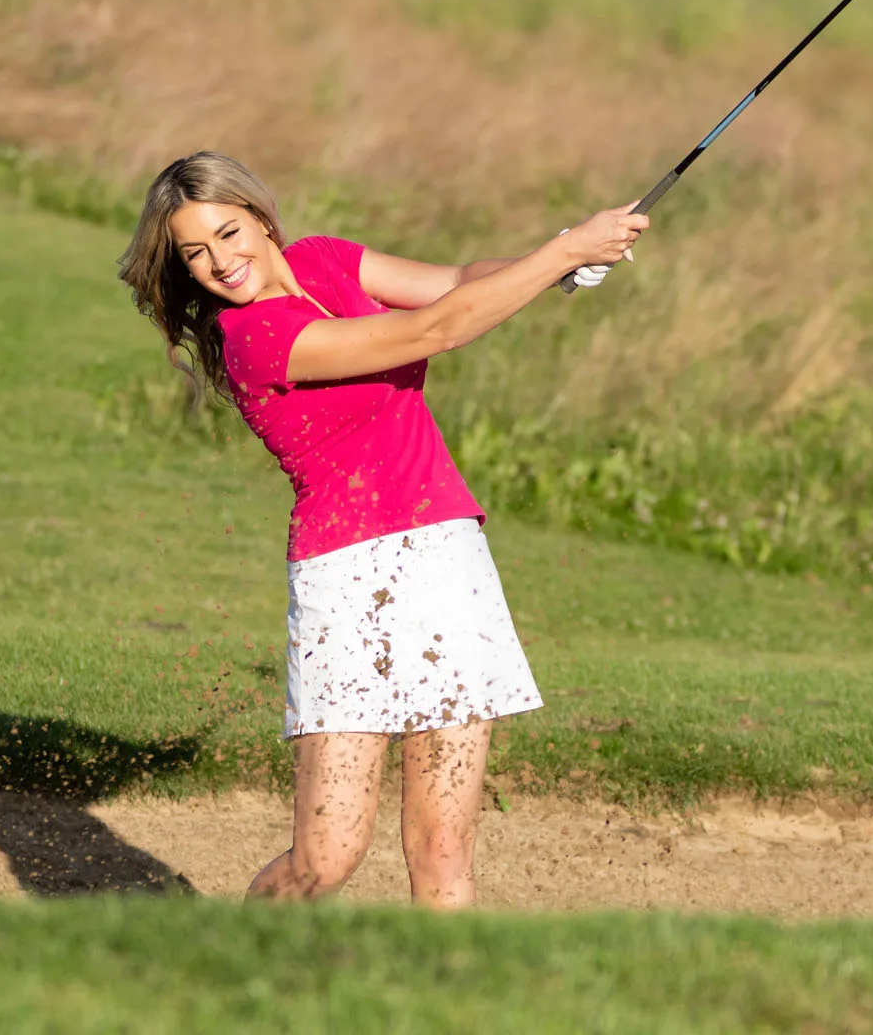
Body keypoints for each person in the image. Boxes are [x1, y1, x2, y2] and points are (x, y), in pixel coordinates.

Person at [117, 151, 646, 909]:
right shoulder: (253, 337)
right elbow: (437, 328)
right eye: (195, 253)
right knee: (326, 858)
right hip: (348, 584)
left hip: (448, 561)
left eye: (228, 234)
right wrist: (565, 254)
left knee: (443, 848)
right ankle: (232, 956)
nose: (220, 263)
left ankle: (443, 986)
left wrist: (557, 259)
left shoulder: (325, 260)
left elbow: (457, 281)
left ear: (260, 219)